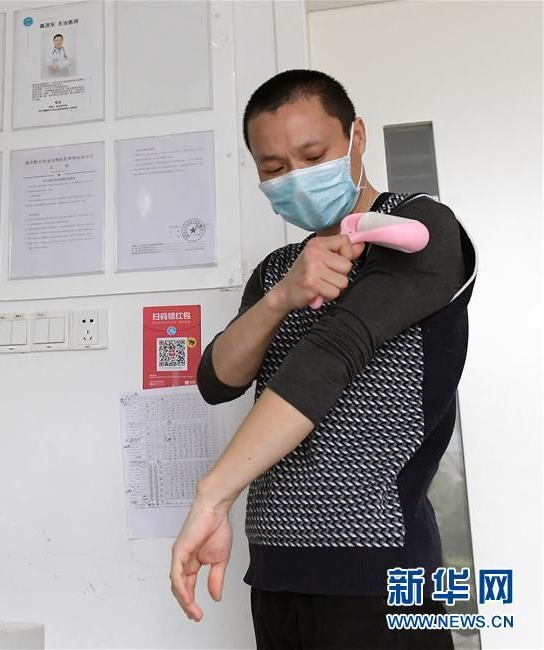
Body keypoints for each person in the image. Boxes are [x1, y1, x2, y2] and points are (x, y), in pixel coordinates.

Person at [169, 70, 476, 650]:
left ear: (356, 137)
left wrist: (214, 494)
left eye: (313, 155)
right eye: (274, 169)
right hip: (277, 567)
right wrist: (284, 293)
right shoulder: (279, 266)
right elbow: (217, 378)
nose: (297, 179)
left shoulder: (421, 229)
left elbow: (331, 355)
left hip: (382, 566)